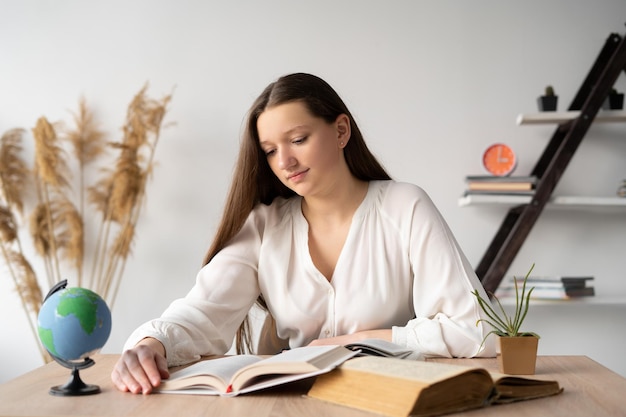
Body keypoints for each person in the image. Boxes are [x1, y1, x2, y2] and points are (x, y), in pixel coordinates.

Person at [111, 72, 496, 394]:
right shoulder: (264, 225)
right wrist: (150, 344)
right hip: (294, 402)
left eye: (298, 140)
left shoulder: (404, 206)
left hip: (390, 400)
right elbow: (201, 315)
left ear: (341, 130)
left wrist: (354, 341)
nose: (285, 162)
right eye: (270, 151)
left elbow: (479, 331)